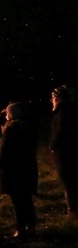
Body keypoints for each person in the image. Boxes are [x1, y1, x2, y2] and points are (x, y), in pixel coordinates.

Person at [0, 102, 39, 239]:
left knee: (17, 202)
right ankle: (31, 227)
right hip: (27, 169)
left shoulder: (11, 130)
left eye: (7, 114)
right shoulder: (30, 128)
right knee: (26, 199)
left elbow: (4, 151)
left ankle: (20, 230)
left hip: (13, 172)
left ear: (10, 114)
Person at [49, 84, 78, 218]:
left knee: (70, 182)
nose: (51, 100)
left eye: (53, 97)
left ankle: (73, 211)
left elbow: (61, 134)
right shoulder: (64, 111)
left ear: (59, 98)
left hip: (66, 154)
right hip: (65, 153)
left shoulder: (64, 112)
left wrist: (54, 146)